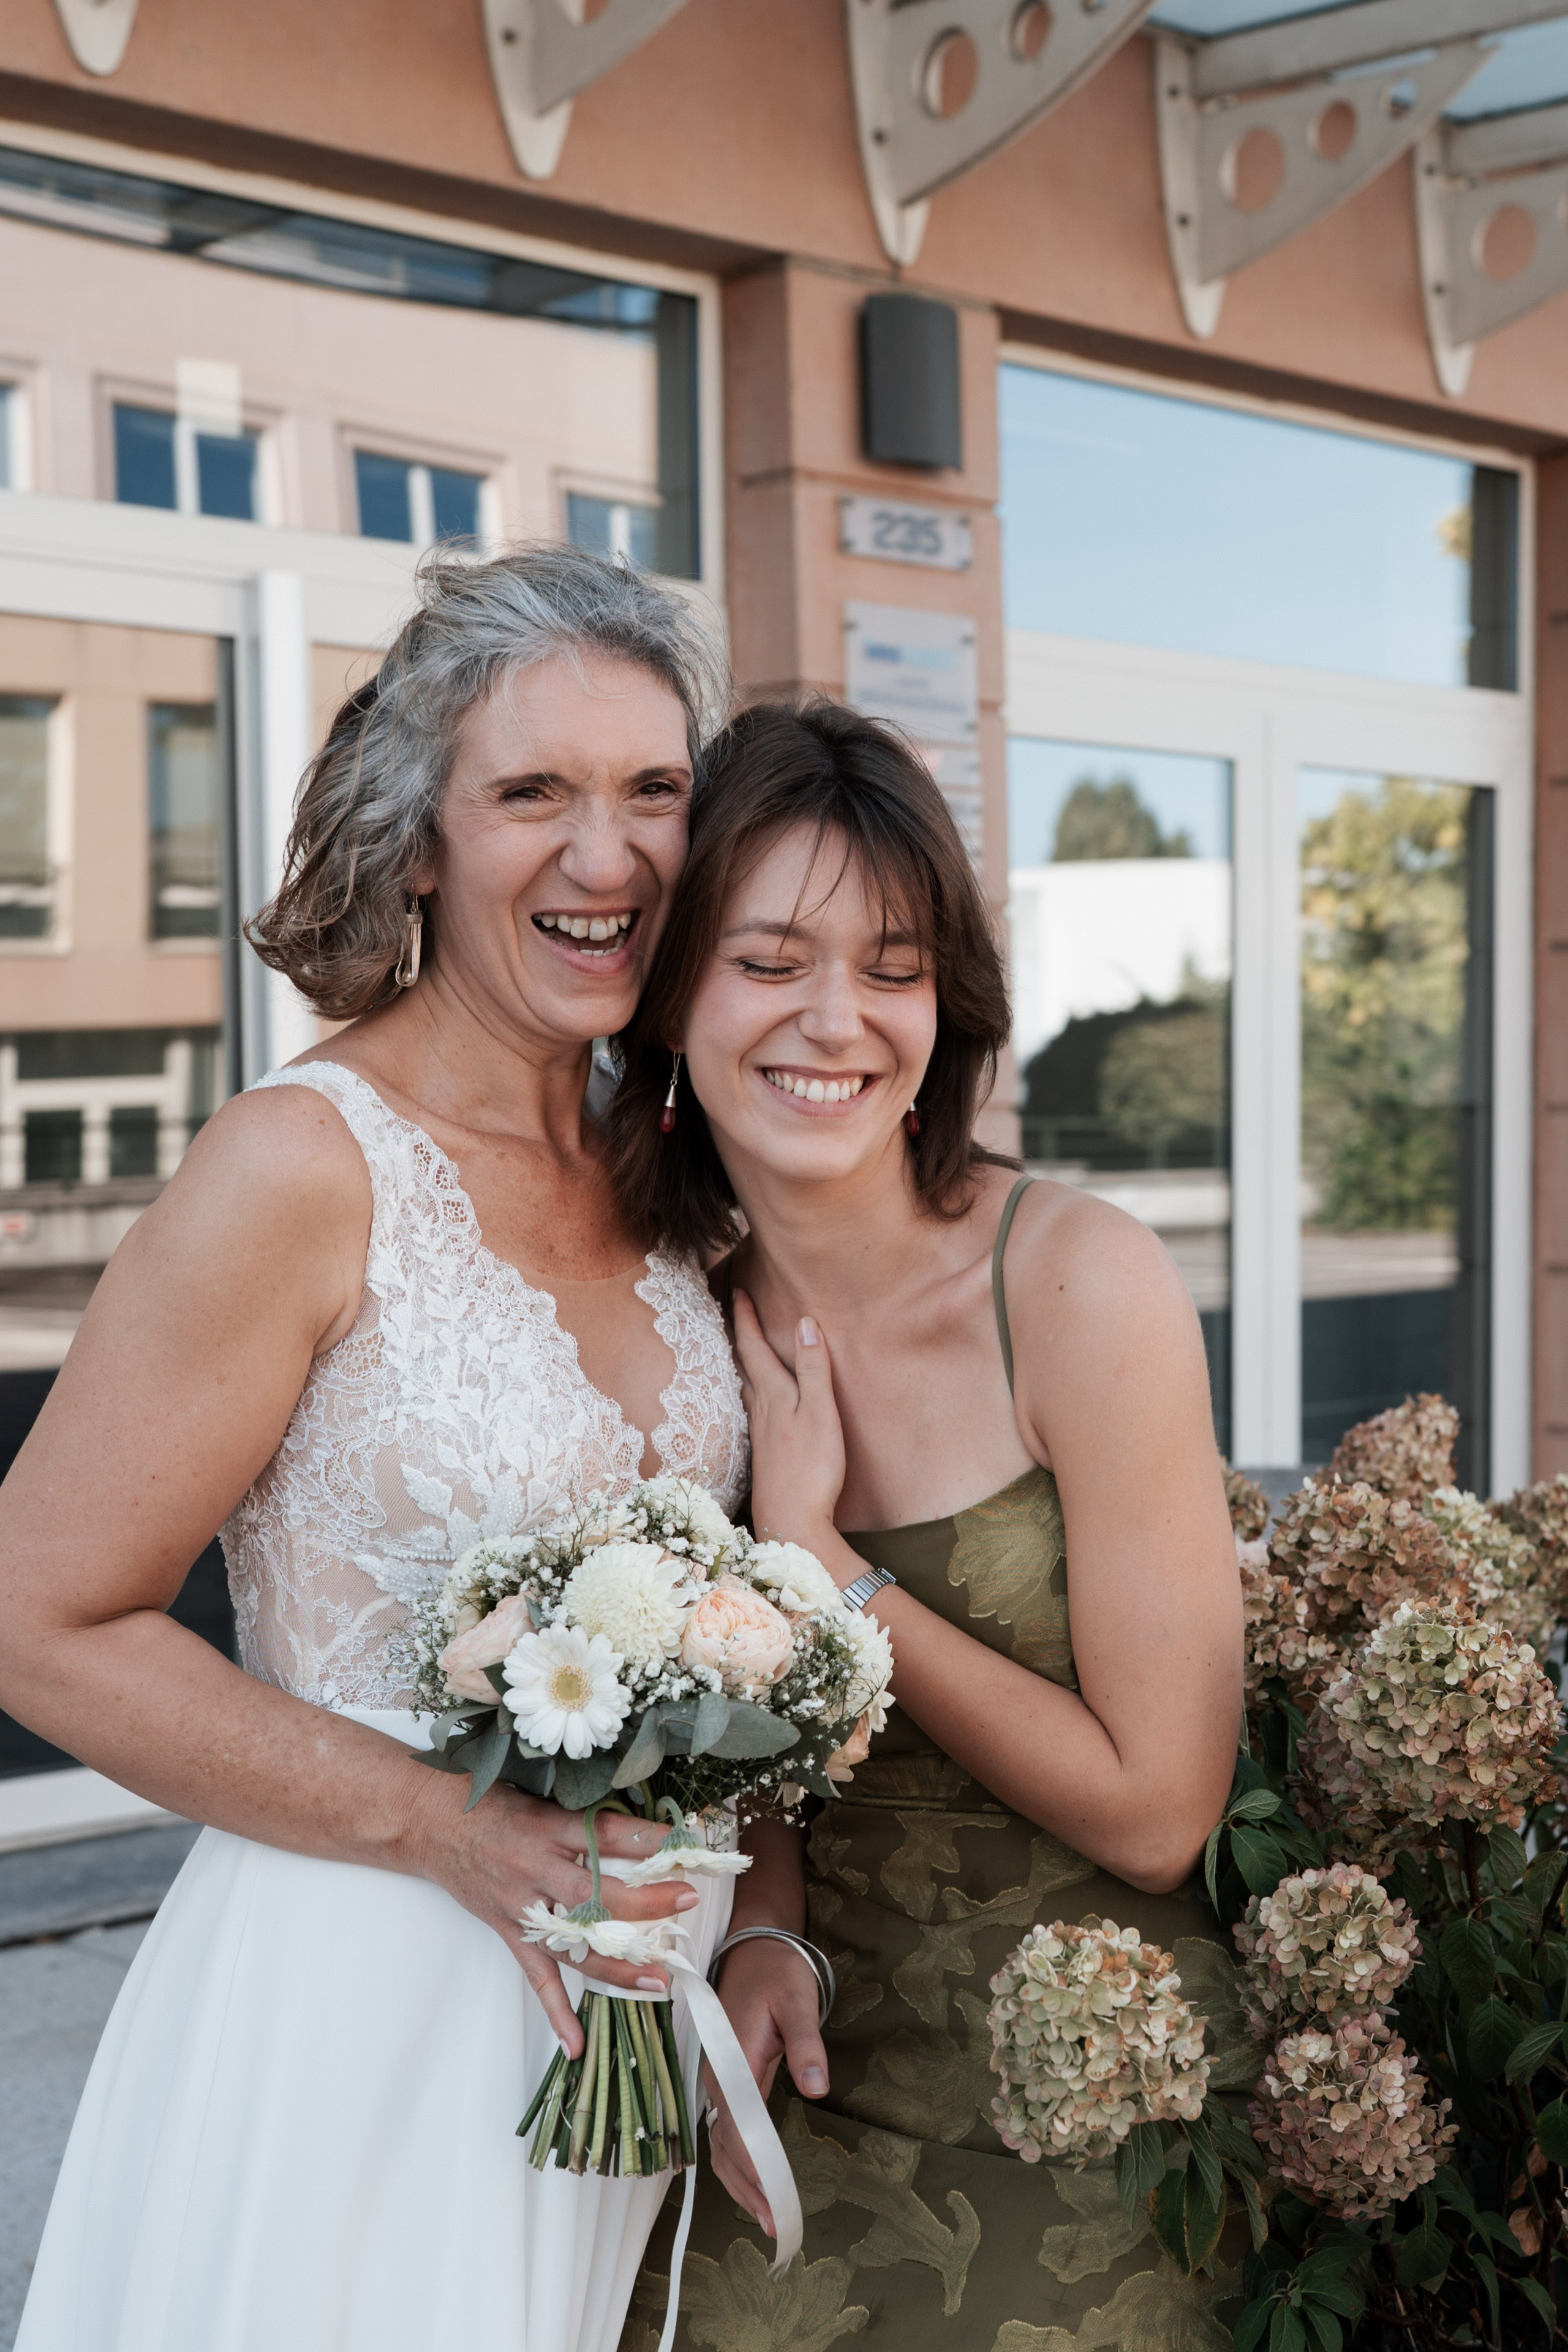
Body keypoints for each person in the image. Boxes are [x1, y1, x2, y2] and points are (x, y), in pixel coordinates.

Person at [0, 546, 750, 2352]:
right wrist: (447, 1829)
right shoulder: (300, 1166)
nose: (607, 857)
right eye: (533, 793)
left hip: (633, 2024)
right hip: (356, 2010)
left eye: (654, 790)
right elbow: (36, 1619)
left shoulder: (674, 1165)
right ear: (418, 840)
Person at [606, 700, 1250, 2350]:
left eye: (892, 968)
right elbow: (733, 1726)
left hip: (1096, 2103)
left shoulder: (1076, 1282)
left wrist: (830, 1568)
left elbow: (1161, 1812)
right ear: (670, 995)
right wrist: (768, 1926)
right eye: (771, 960)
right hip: (814, 2053)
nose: (837, 1020)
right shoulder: (675, 1322)